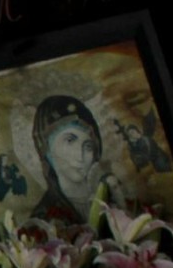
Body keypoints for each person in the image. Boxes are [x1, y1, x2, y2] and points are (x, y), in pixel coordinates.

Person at [30, 94, 114, 222]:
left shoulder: (110, 200)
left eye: (88, 146)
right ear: (47, 149)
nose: (80, 156)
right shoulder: (45, 218)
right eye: (69, 140)